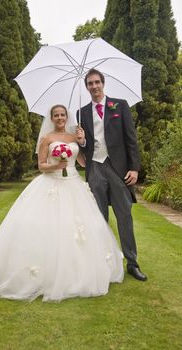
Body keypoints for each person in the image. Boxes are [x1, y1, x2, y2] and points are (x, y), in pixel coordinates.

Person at [0, 104, 124, 302]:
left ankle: (77, 272)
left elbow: (84, 162)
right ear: (52, 118)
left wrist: (82, 140)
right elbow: (41, 166)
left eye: (63, 115)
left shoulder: (73, 136)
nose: (60, 118)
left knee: (79, 229)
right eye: (56, 115)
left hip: (74, 184)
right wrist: (56, 165)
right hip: (51, 183)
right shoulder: (46, 139)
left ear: (67, 117)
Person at [76, 69, 147, 281]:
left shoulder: (120, 105)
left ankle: (132, 264)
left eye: (97, 82)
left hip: (119, 169)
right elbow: (86, 146)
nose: (94, 86)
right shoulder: (82, 112)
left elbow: (131, 139)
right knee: (99, 218)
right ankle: (102, 264)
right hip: (95, 168)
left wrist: (134, 168)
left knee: (124, 216)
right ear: (86, 87)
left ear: (103, 84)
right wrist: (82, 142)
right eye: (90, 83)